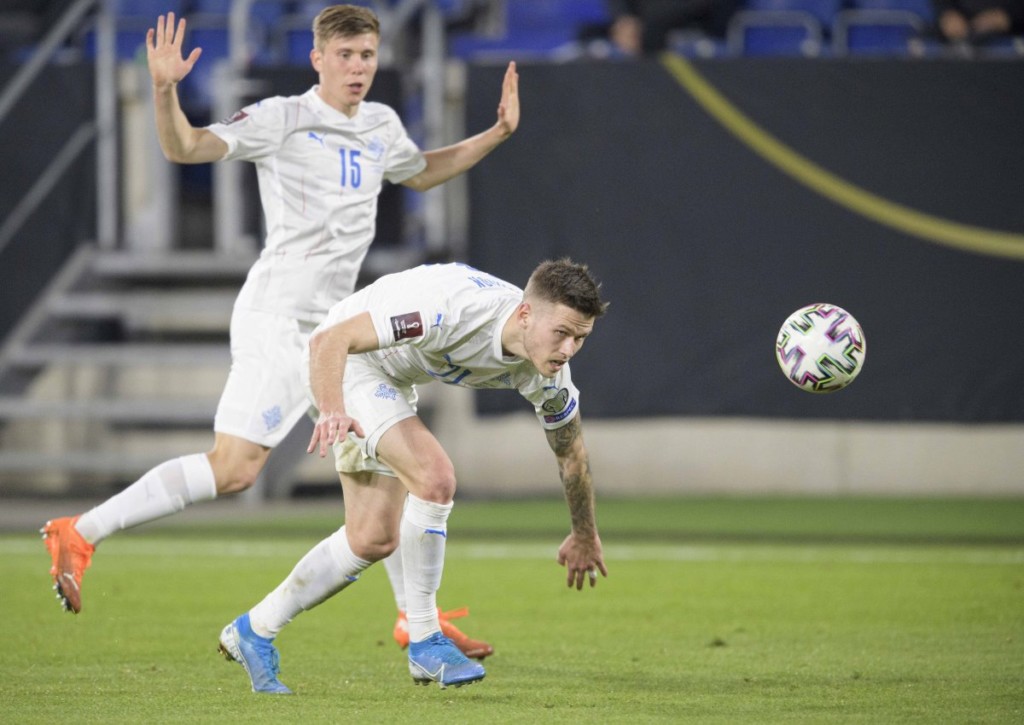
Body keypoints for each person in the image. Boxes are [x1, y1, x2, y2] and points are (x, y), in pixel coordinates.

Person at [41, 4, 519, 660]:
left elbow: (420, 170)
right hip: (279, 318)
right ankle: (79, 531)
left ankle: (418, 618)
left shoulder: (381, 123)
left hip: (337, 328)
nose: (358, 68)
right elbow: (184, 147)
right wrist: (163, 89)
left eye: (367, 56)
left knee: (394, 469)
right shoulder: (282, 118)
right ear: (317, 57)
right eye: (345, 55)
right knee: (235, 468)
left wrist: (492, 135)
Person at [216, 258, 610, 693]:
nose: (569, 349)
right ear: (524, 314)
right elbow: (331, 339)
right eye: (562, 333)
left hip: (392, 380)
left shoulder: (549, 376)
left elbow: (571, 455)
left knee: (371, 538)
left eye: (581, 338)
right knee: (435, 477)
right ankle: (425, 640)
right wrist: (332, 409)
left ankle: (253, 630)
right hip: (347, 361)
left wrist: (585, 533)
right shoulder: (450, 309)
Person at [605, 0, 741, 56]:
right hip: (640, 24)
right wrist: (624, 19)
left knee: (652, 29)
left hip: (697, 21)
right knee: (589, 35)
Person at [933, 0, 1024, 44]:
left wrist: (1010, 15)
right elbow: (943, 6)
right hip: (962, 36)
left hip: (1012, 38)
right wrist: (948, 13)